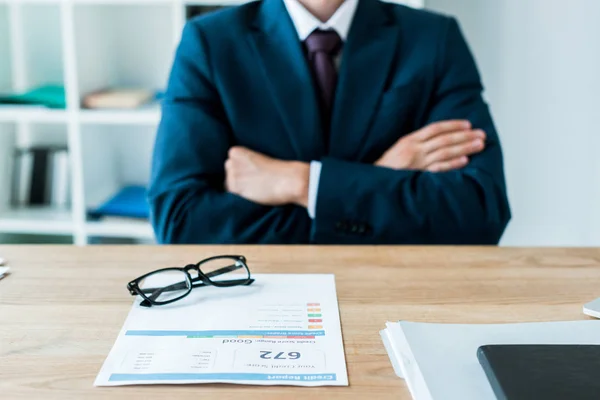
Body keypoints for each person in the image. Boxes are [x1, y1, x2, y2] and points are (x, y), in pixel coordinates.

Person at [148, 0, 511, 245]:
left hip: (398, 288)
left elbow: (480, 211)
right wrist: (381, 176)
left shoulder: (433, 38)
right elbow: (180, 220)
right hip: (259, 292)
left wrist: (301, 183)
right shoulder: (210, 41)